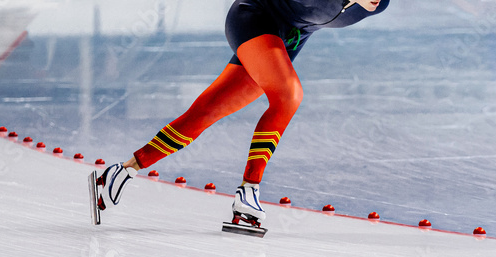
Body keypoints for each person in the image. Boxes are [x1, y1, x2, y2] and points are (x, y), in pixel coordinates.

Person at [95, 0, 389, 229]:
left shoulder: (379, 4)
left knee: (206, 111)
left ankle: (123, 170)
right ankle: (249, 189)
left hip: (286, 39)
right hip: (253, 19)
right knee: (288, 95)